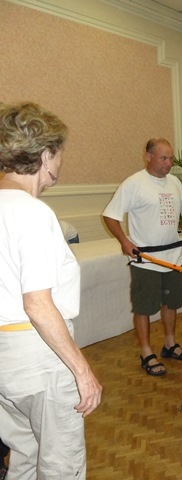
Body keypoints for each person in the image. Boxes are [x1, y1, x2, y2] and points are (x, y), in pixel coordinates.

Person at [0, 101, 102, 479]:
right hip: (37, 358)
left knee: (25, 455)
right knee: (62, 466)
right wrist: (82, 371)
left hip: (5, 361)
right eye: (59, 152)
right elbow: (38, 304)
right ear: (46, 155)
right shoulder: (32, 213)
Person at [103, 138, 182, 376]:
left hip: (173, 258)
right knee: (144, 307)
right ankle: (146, 352)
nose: (168, 164)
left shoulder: (175, 182)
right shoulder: (134, 184)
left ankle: (169, 344)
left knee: (171, 304)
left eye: (171, 159)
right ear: (148, 157)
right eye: (163, 158)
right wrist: (125, 242)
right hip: (146, 260)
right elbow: (110, 216)